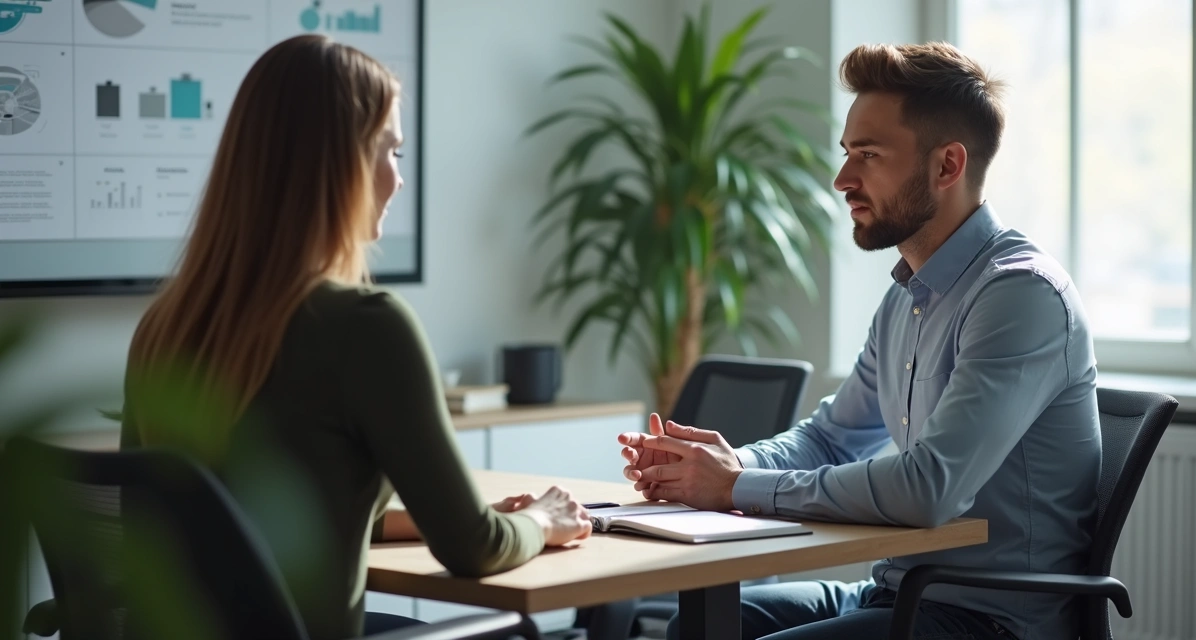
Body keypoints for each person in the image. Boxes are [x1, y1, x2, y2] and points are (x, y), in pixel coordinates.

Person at [621, 42, 1100, 640]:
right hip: (897, 591)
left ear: (947, 166)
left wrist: (736, 487)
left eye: (869, 155)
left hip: (990, 618)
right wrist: (724, 465)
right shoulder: (907, 297)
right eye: (848, 153)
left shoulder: (1020, 296)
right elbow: (831, 437)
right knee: (697, 625)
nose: (843, 179)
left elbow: (930, 489)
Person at [120, 34, 591, 640]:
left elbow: (244, 520)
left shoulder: (164, 328)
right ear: (338, 165)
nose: (396, 180)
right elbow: (473, 548)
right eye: (388, 151)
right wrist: (543, 521)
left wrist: (435, 517)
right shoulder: (365, 327)